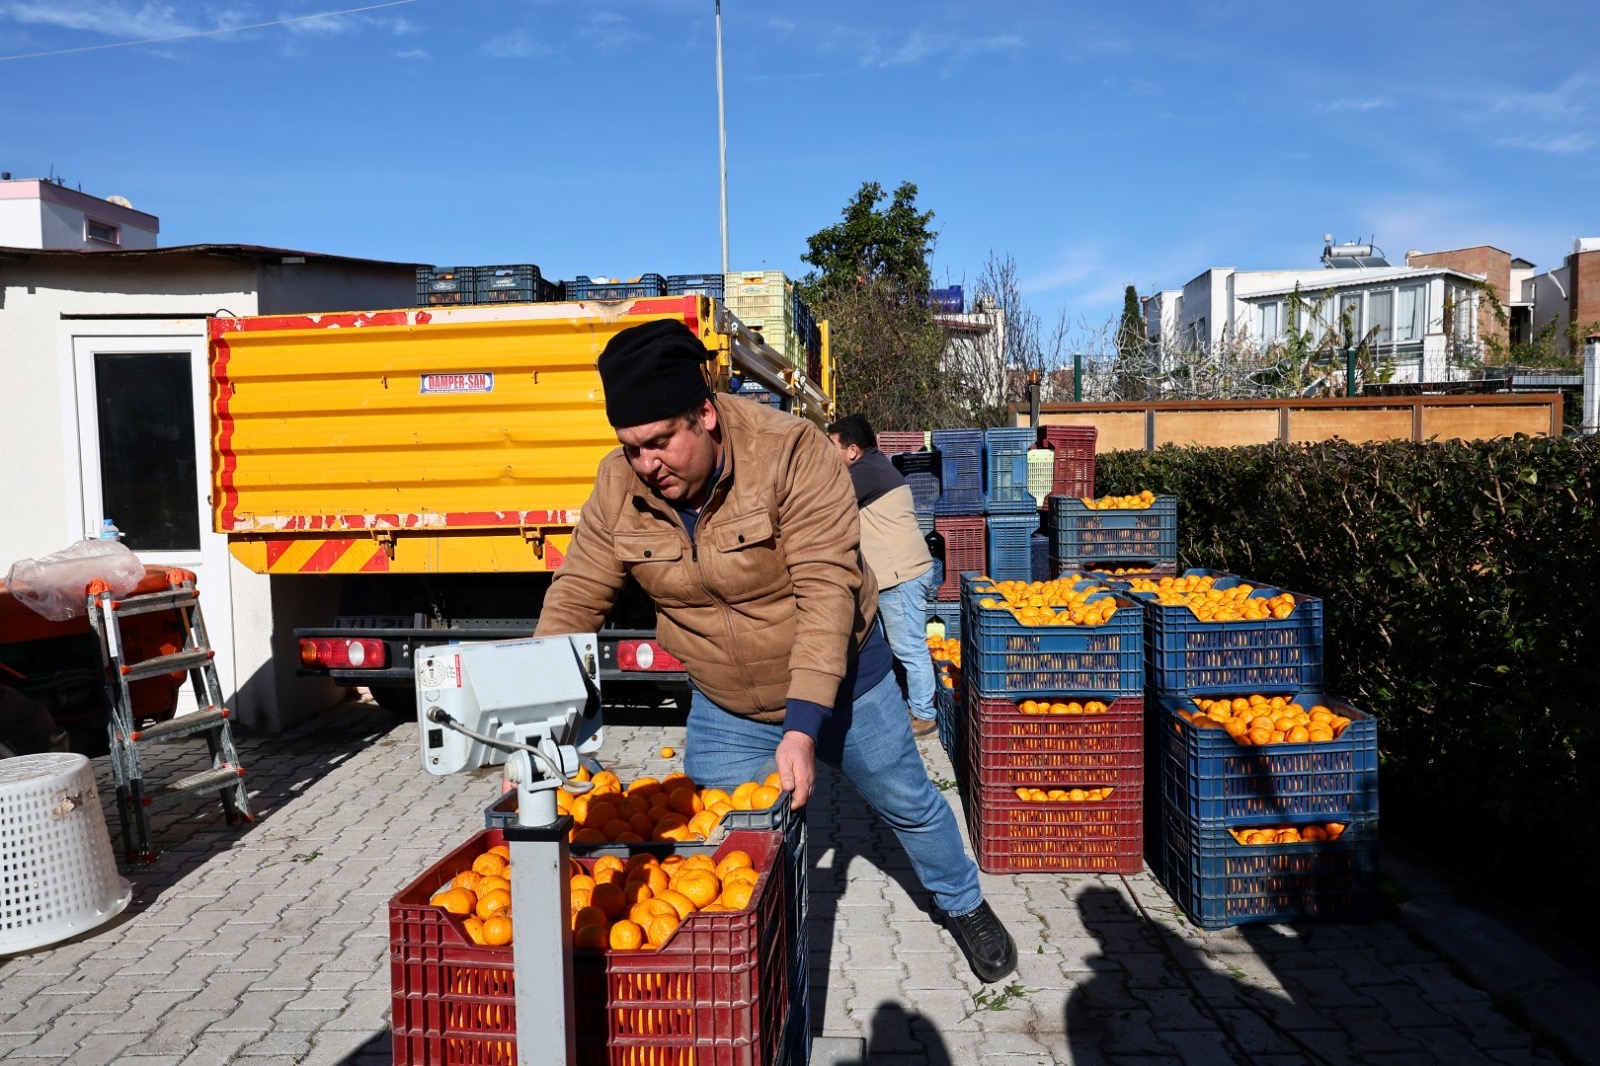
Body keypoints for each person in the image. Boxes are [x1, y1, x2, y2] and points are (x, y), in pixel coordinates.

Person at [535, 319, 1017, 983]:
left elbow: (827, 590)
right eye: (631, 448)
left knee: (907, 802)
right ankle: (757, 966)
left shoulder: (791, 452)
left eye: (658, 444)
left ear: (704, 413)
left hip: (846, 683)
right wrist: (532, 727)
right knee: (729, 846)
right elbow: (574, 597)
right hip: (727, 701)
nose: (647, 465)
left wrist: (801, 727)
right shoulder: (620, 486)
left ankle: (965, 904)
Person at [825, 413, 940, 738]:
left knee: (909, 646)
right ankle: (911, 705)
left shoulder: (863, 474)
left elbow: (825, 502)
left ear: (852, 450)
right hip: (899, 573)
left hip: (900, 575)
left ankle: (923, 714)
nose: (829, 453)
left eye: (832, 445)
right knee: (899, 645)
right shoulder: (873, 467)